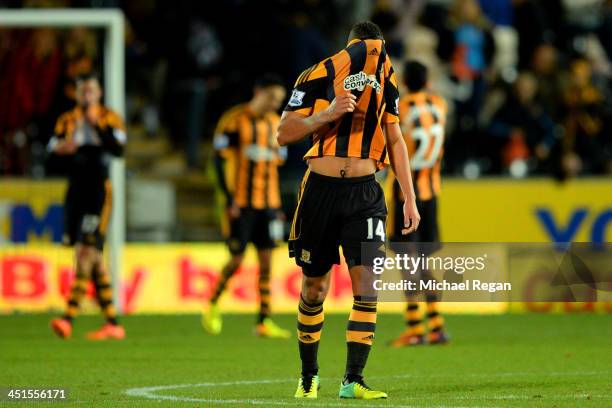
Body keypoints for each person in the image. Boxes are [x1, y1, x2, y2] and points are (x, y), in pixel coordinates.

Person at [277, 21, 420, 400]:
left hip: (365, 193)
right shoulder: (318, 72)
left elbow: (395, 137)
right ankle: (309, 375)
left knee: (368, 286)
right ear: (353, 47)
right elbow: (284, 133)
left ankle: (353, 380)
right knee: (315, 287)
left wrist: (409, 196)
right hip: (319, 192)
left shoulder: (388, 81)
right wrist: (326, 115)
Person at [202, 74, 290, 339]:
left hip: (268, 204)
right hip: (240, 203)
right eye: (272, 97)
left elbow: (277, 166)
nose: (276, 103)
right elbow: (218, 162)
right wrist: (229, 200)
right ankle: (213, 303)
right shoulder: (234, 121)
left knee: (266, 263)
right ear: (258, 92)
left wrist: (277, 206)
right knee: (237, 260)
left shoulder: (277, 124)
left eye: (279, 100)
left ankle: (263, 320)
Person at [49, 73, 126, 340]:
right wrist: (61, 148)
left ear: (99, 92)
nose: (86, 96)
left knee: (85, 252)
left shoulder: (110, 118)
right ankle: (113, 323)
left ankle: (67, 318)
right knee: (93, 259)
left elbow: (119, 149)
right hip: (75, 191)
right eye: (82, 91)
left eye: (91, 90)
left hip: (98, 192)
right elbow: (51, 147)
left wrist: (98, 128)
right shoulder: (67, 119)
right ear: (76, 94)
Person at [386, 61, 450, 347]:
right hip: (432, 193)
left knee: (407, 262)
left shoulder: (401, 107)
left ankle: (414, 328)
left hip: (406, 194)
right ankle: (436, 325)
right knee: (423, 261)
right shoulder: (439, 104)